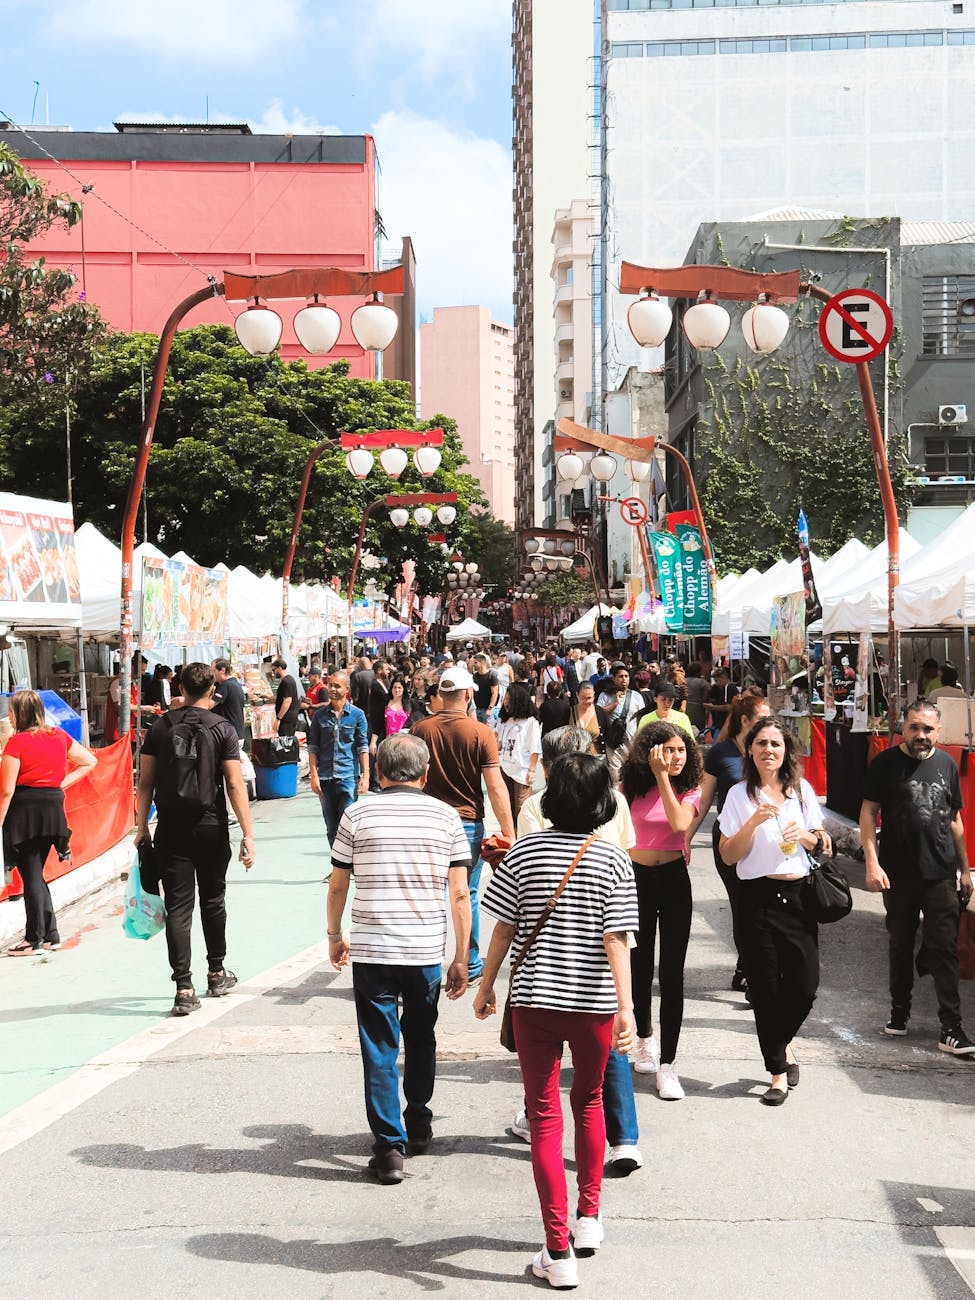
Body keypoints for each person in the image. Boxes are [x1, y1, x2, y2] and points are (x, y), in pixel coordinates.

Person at [474, 754, 638, 1288]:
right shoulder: (614, 859)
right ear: (602, 801)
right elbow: (618, 940)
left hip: (534, 1001)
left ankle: (556, 1249)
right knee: (589, 1102)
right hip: (593, 1004)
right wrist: (627, 1009)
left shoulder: (523, 852)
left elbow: (501, 928)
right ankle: (588, 1220)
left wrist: (485, 985)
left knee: (544, 1116)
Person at [327, 733, 473, 1184]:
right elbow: (460, 894)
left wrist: (335, 934)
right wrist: (461, 956)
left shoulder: (357, 813)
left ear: (381, 771)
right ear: (425, 775)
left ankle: (389, 1147)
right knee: (421, 1036)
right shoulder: (446, 817)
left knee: (379, 1045)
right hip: (425, 949)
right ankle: (420, 1120)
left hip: (373, 949)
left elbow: (338, 883)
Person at [515, 725, 643, 1173]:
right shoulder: (617, 805)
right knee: (607, 1055)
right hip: (607, 941)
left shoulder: (534, 808)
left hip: (545, 964)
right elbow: (627, 857)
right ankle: (624, 1140)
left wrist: (488, 982)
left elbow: (522, 889)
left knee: (548, 1092)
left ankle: (537, 1123)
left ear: (550, 770)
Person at [718, 718, 830, 1104]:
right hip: (757, 899)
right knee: (765, 991)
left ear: (786, 751)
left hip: (798, 897)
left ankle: (781, 1043)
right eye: (761, 743)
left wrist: (808, 837)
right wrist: (752, 822)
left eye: (776, 744)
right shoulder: (738, 796)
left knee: (804, 985)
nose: (769, 750)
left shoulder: (801, 792)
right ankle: (777, 1073)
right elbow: (729, 855)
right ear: (750, 750)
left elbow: (824, 846)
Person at [136, 662, 256, 1015]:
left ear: (181, 688)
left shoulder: (159, 727)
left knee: (179, 906)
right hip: (211, 825)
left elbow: (145, 783)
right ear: (211, 691)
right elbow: (234, 784)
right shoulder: (223, 728)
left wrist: (142, 827)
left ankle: (183, 987)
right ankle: (217, 971)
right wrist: (248, 833)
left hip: (170, 828)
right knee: (213, 899)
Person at [859, 699, 974, 1055]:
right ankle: (899, 1011)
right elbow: (868, 813)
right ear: (903, 727)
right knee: (900, 944)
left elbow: (954, 820)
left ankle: (951, 1028)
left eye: (927, 729)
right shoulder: (884, 764)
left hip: (940, 873)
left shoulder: (947, 765)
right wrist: (872, 864)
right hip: (898, 874)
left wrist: (965, 868)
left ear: (938, 731)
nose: (920, 735)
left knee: (944, 949)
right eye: (914, 727)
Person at [411, 664, 516, 982]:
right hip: (467, 821)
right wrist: (509, 831)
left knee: (426, 892)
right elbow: (496, 786)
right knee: (466, 893)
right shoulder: (481, 732)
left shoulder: (420, 730)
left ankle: (422, 962)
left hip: (428, 821)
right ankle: (470, 962)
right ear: (468, 694)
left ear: (441, 695)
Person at [620, 722, 703, 1100]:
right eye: (667, 750)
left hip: (672, 880)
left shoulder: (689, 788)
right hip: (634, 879)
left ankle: (668, 1065)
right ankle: (645, 1039)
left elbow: (679, 823)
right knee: (638, 966)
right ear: (650, 751)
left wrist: (664, 778)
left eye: (681, 750)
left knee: (672, 974)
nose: (675, 757)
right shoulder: (628, 788)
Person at [686, 691, 771, 994]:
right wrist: (685, 839)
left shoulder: (772, 749)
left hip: (768, 843)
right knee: (743, 905)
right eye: (762, 718)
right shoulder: (720, 753)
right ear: (745, 720)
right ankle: (750, 968)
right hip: (731, 843)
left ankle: (751, 965)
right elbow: (705, 799)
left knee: (764, 907)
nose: (769, 724)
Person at [1, 692, 97, 956]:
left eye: (11, 711)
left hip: (25, 813)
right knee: (36, 874)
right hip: (53, 810)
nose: (8, 715)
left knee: (31, 875)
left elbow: (6, 791)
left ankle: (34, 939)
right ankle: (50, 935)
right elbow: (89, 761)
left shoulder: (16, 743)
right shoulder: (57, 736)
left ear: (19, 714)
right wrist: (57, 785)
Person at [307, 672, 370, 850]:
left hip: (349, 776)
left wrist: (365, 775)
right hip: (325, 777)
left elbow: (362, 746)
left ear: (347, 689)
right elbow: (313, 747)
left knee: (348, 825)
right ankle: (337, 868)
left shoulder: (357, 715)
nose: (332, 689)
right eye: (330, 685)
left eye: (337, 686)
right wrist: (314, 775)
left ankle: (348, 864)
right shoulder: (319, 716)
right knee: (331, 826)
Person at [496, 682, 543, 823]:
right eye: (505, 699)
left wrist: (532, 770)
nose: (506, 703)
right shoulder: (503, 721)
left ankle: (522, 836)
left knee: (521, 808)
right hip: (503, 767)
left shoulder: (530, 722)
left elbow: (534, 747)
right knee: (506, 807)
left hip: (521, 771)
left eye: (509, 700)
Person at [596, 663, 643, 779]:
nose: (624, 679)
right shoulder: (605, 695)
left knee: (633, 775)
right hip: (613, 743)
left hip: (632, 742)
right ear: (614, 678)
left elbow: (642, 718)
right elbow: (598, 713)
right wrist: (615, 704)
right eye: (621, 676)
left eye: (626, 676)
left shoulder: (636, 696)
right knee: (615, 775)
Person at [569, 681, 610, 757]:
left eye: (589, 698)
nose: (587, 701)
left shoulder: (601, 712)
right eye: (583, 698)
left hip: (596, 759)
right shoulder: (569, 712)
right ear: (577, 695)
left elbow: (609, 737)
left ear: (594, 695)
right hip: (575, 760)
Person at [212, 659, 246, 741]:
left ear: (222, 670)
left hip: (229, 735)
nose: (212, 674)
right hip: (236, 733)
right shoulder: (234, 683)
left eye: (214, 670)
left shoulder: (226, 685)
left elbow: (209, 704)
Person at [270, 658, 301, 737]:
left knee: (285, 743)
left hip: (287, 719)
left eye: (274, 670)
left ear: (279, 668)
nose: (273, 673)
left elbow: (287, 701)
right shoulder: (289, 680)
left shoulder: (286, 682)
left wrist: (278, 719)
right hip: (289, 718)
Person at [707, 667, 739, 736]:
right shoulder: (724, 688)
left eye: (717, 681)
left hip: (727, 723)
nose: (716, 683)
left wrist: (713, 707)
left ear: (723, 677)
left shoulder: (728, 687)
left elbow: (729, 707)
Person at [472, 652, 500, 724]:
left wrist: (490, 708)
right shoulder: (474, 676)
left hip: (486, 710)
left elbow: (495, 693)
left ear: (482, 663)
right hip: (476, 709)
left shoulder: (491, 676)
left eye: (475, 662)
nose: (473, 665)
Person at [684, 662, 710, 732]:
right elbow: (708, 691)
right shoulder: (702, 682)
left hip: (685, 707)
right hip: (697, 708)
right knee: (699, 730)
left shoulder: (684, 680)